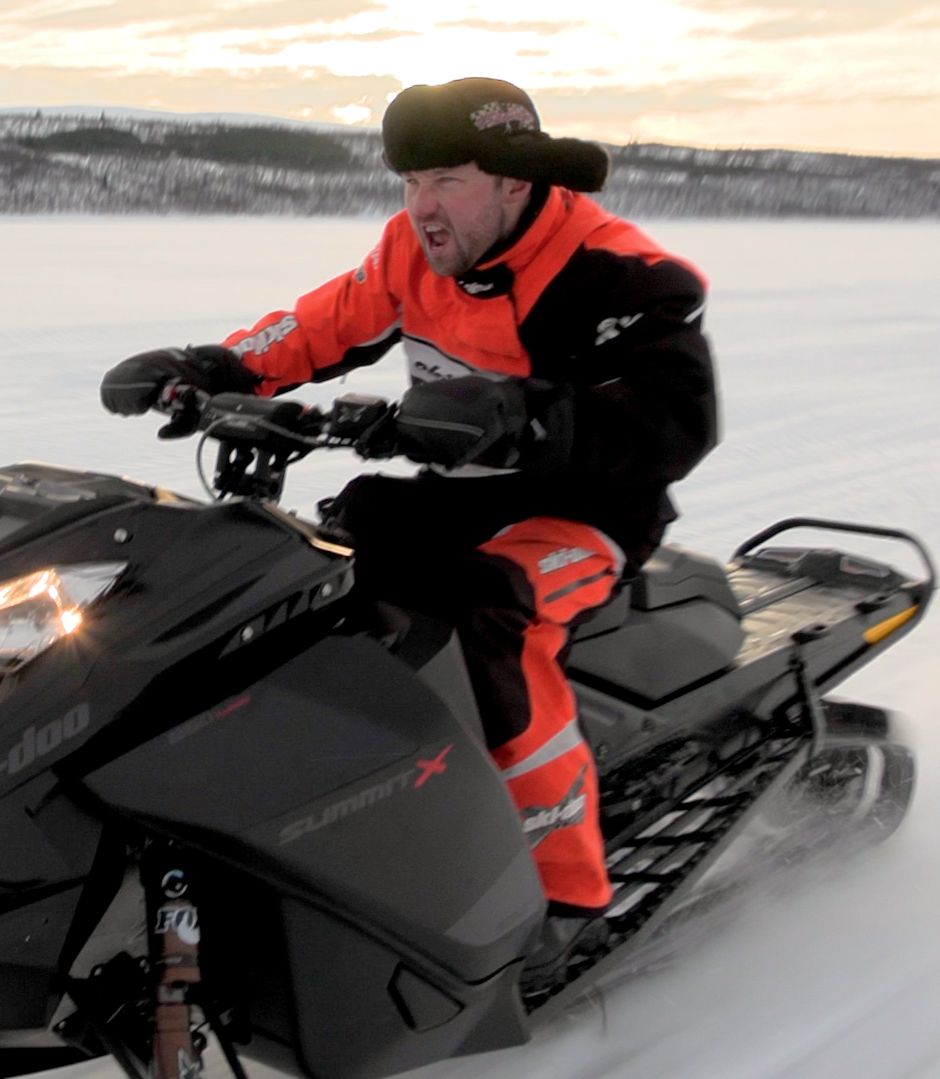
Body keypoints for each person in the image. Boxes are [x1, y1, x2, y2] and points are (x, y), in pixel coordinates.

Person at [100, 78, 717, 934]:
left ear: (514, 180)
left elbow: (679, 420)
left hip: (585, 512)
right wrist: (209, 369)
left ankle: (566, 893)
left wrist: (524, 414)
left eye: (447, 182)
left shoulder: (613, 272)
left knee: (491, 613)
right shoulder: (413, 251)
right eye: (410, 183)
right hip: (455, 495)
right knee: (301, 578)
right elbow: (319, 326)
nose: (423, 208)